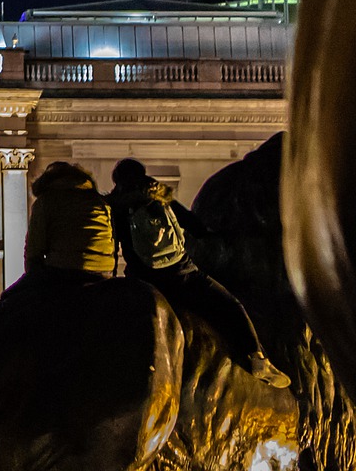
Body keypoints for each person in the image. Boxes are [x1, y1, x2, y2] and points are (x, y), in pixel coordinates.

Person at [105, 158, 290, 389]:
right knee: (230, 305)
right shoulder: (160, 196)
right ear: (142, 175)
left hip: (143, 281)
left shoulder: (115, 207)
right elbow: (196, 227)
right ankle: (257, 358)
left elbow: (111, 246)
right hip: (182, 275)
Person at [23, 161, 116, 283]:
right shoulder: (99, 201)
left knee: (11, 296)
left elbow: (34, 249)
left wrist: (33, 279)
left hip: (66, 272)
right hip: (104, 271)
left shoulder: (47, 201)